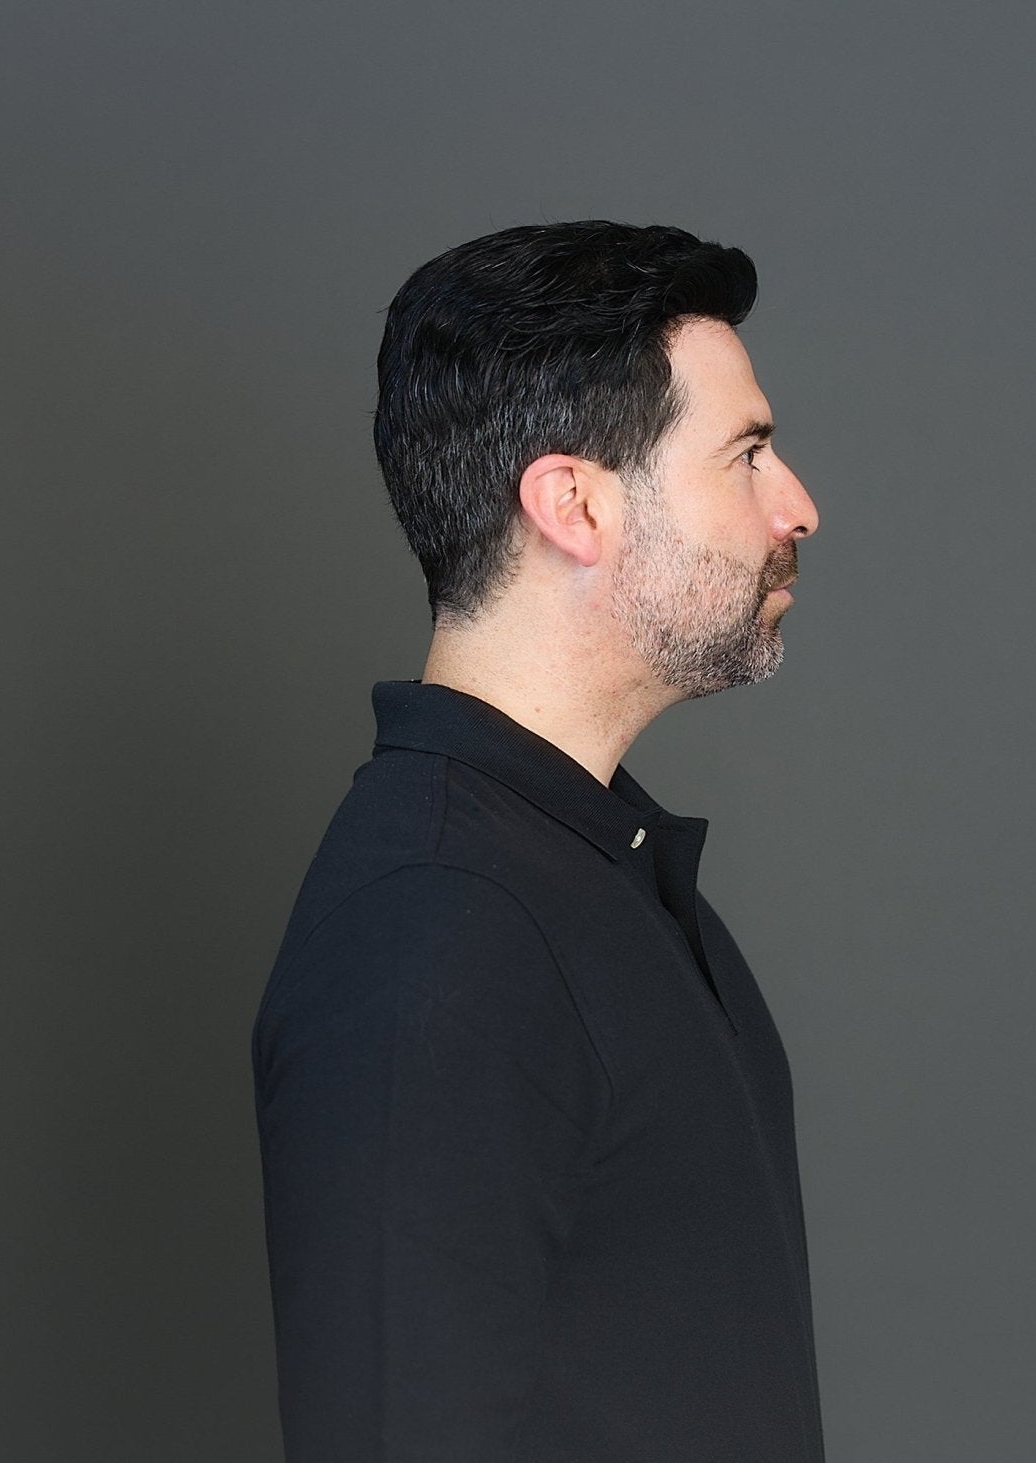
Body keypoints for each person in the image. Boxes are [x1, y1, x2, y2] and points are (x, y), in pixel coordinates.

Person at [251, 220, 824, 1461]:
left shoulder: (601, 872)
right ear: (574, 503)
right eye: (745, 454)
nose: (797, 507)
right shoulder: (432, 930)